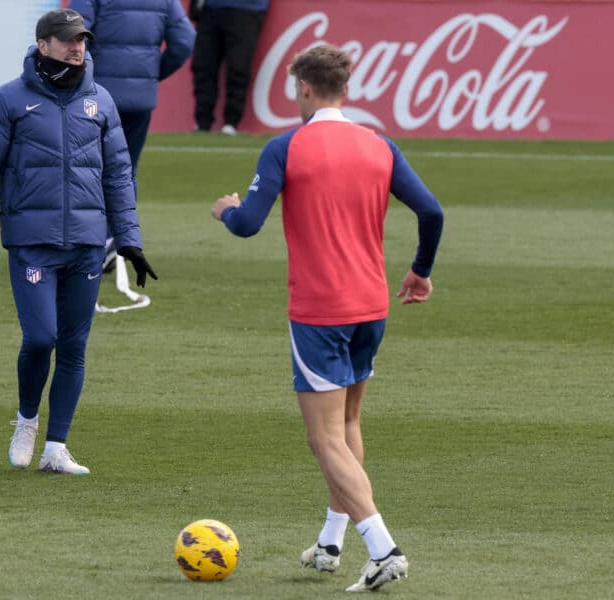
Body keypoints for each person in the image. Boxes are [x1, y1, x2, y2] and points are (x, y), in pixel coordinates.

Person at [210, 44, 444, 592]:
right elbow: (432, 210)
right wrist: (420, 271)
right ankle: (332, 540)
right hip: (371, 306)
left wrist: (224, 210)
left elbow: (248, 224)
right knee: (348, 427)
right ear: (345, 87)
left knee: (324, 439)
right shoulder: (379, 145)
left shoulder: (286, 146)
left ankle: (384, 549)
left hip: (320, 311)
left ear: (305, 89)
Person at [0, 8, 157, 475]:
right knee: (40, 338)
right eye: (68, 40)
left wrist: (128, 239)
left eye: (82, 40)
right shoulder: (8, 100)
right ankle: (27, 420)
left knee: (73, 345)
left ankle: (56, 447)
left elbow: (118, 176)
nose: (77, 47)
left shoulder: (101, 101)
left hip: (87, 244)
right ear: (43, 43)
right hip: (32, 241)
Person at [67, 0, 195, 271]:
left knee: (84, 167)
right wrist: (149, 74)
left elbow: (73, 33)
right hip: (139, 100)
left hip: (96, 95)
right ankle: (118, 238)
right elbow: (184, 40)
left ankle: (88, 241)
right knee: (125, 170)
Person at [189, 0, 268, 135]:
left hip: (246, 9)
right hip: (209, 9)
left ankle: (231, 123)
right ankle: (202, 122)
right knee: (203, 66)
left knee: (238, 67)